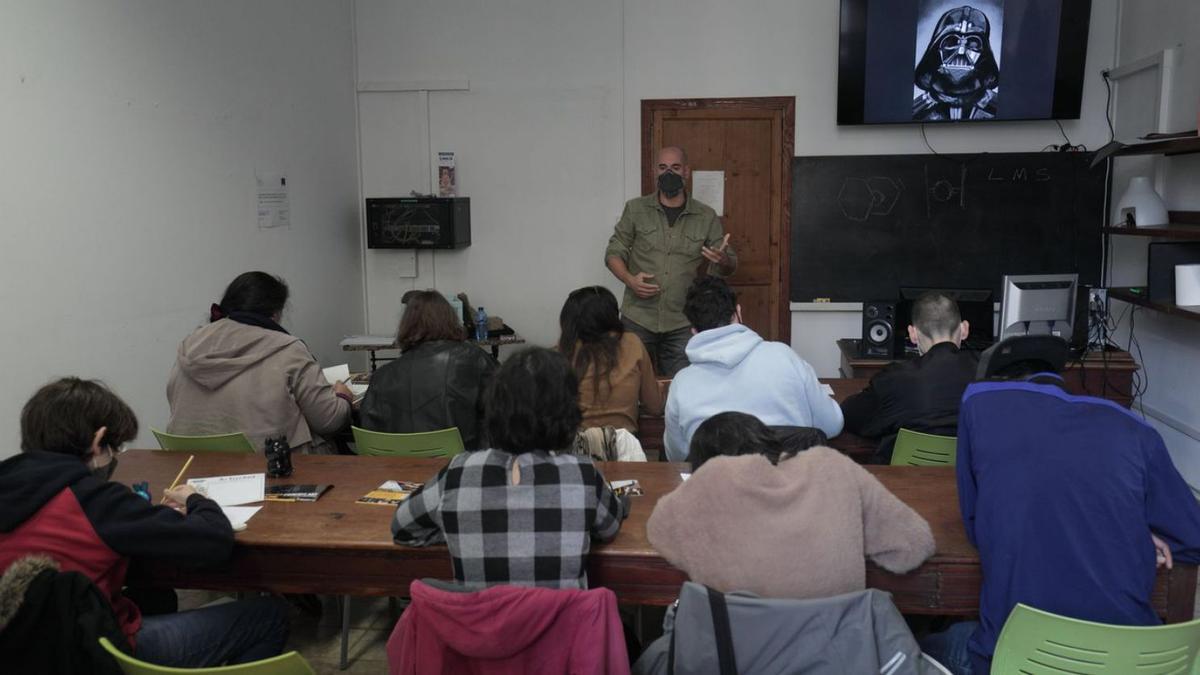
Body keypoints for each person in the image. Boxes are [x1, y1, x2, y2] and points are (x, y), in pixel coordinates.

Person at [919, 336, 1200, 675]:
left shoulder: (980, 404)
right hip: (1134, 662)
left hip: (1021, 659)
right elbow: (1192, 537)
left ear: (998, 383)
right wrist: (1140, 527)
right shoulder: (1133, 428)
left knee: (920, 641)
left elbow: (977, 524)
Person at [0, 377, 288, 667]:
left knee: (157, 597)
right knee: (269, 616)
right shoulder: (95, 501)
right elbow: (213, 541)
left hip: (19, 650)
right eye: (116, 447)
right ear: (99, 441)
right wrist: (197, 500)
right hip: (89, 651)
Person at [391, 347, 626, 589]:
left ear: (494, 405)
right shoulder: (582, 475)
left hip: (481, 625)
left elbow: (402, 526)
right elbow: (609, 527)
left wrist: (456, 525)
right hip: (561, 625)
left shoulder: (458, 473)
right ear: (567, 413)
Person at [649, 412, 935, 600]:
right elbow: (913, 547)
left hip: (741, 657)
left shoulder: (708, 485)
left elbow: (659, 530)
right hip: (836, 655)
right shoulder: (832, 467)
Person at [166, 271, 352, 454]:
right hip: (273, 470)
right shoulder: (289, 349)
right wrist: (343, 397)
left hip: (193, 468)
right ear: (275, 313)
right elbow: (328, 420)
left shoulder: (191, 344)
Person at [663, 277, 843, 462]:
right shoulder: (784, 357)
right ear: (738, 313)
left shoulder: (681, 383)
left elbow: (677, 456)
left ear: (693, 330)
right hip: (790, 486)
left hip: (719, 488)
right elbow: (832, 424)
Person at [605, 146, 737, 377]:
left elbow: (730, 263)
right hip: (638, 317)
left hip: (682, 321)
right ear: (655, 171)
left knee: (682, 385)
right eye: (663, 167)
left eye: (675, 167)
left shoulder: (705, 215)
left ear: (686, 172)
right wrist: (629, 280)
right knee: (630, 383)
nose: (669, 173)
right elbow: (613, 252)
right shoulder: (635, 209)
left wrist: (723, 259)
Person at [841, 291, 978, 462]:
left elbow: (849, 415)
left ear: (913, 334)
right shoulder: (987, 375)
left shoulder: (895, 379)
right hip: (970, 484)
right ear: (964, 329)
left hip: (902, 484)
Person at [359, 290, 497, 450]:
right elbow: (506, 411)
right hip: (461, 467)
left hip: (397, 469)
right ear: (450, 320)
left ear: (406, 324)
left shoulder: (382, 376)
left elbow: (369, 429)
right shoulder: (476, 359)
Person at [557, 286, 664, 434]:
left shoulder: (560, 354)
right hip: (623, 449)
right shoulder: (632, 343)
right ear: (611, 316)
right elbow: (655, 407)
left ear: (569, 320)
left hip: (575, 449)